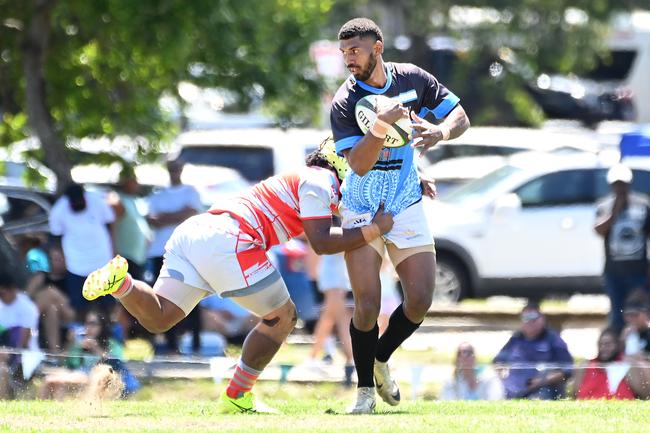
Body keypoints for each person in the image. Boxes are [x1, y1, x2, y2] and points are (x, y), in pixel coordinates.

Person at [81, 141, 394, 413]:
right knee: (283, 316)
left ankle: (121, 283)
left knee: (160, 318)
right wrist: (374, 229)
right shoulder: (319, 182)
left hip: (196, 231)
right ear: (342, 163)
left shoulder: (310, 181)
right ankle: (238, 394)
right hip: (229, 239)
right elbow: (323, 242)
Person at [330, 17, 470, 413]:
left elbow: (460, 116)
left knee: (421, 299)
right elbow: (356, 165)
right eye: (344, 53)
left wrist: (440, 132)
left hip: (405, 200)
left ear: (378, 48)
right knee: (368, 304)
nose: (348, 60)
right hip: (361, 207)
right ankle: (364, 394)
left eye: (354, 51)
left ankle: (380, 358)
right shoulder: (345, 101)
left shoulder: (412, 79)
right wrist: (381, 125)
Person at [146, 159, 203, 354]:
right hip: (160, 252)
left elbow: (192, 213)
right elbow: (153, 220)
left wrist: (166, 217)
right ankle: (171, 345)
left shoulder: (190, 191)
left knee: (193, 296)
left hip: (186, 251)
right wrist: (178, 214)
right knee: (162, 299)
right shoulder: (158, 194)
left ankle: (195, 344)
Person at [594, 163, 650, 331]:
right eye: (616, 184)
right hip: (614, 271)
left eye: (623, 184)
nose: (620, 188)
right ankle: (618, 351)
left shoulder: (642, 204)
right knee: (617, 315)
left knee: (639, 313)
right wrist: (614, 212)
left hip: (638, 271)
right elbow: (598, 230)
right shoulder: (604, 206)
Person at [49, 182, 116, 318]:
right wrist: (60, 259)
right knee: (78, 307)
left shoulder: (97, 201)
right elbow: (56, 237)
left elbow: (111, 224)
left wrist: (115, 250)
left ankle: (109, 333)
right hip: (76, 266)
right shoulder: (58, 211)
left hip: (103, 263)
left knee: (109, 305)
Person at [38, 309, 134, 400]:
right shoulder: (80, 341)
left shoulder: (112, 343)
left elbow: (117, 363)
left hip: (98, 377)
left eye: (93, 324)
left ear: (102, 326)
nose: (89, 327)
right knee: (48, 381)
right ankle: (43, 409)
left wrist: (96, 348)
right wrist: (70, 343)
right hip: (78, 373)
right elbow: (68, 362)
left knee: (57, 382)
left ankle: (57, 411)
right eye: (87, 323)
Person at [493, 302, 573, 400]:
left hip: (542, 390)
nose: (530, 322)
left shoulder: (553, 339)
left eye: (533, 317)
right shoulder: (516, 339)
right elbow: (498, 362)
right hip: (512, 391)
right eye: (526, 318)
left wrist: (542, 381)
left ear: (542, 319)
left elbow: (567, 370)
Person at [307, 252, 355, 386]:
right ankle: (351, 360)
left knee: (331, 318)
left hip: (339, 270)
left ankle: (313, 357)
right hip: (334, 272)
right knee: (338, 319)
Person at [573, 327, 650, 400]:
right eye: (600, 344)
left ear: (618, 345)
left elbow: (646, 395)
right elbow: (575, 396)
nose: (603, 348)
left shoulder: (628, 366)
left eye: (608, 344)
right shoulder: (586, 366)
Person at [0, 270, 39, 399]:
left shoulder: (27, 307)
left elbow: (22, 344)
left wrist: (6, 353)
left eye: (2, 293)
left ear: (12, 289)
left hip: (21, 357)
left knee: (2, 370)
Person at [440, 342, 504, 401]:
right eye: (459, 353)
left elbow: (496, 400)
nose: (464, 356)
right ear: (457, 359)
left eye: (468, 353)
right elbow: (446, 400)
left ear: (474, 357)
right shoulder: (451, 382)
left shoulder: (490, 377)